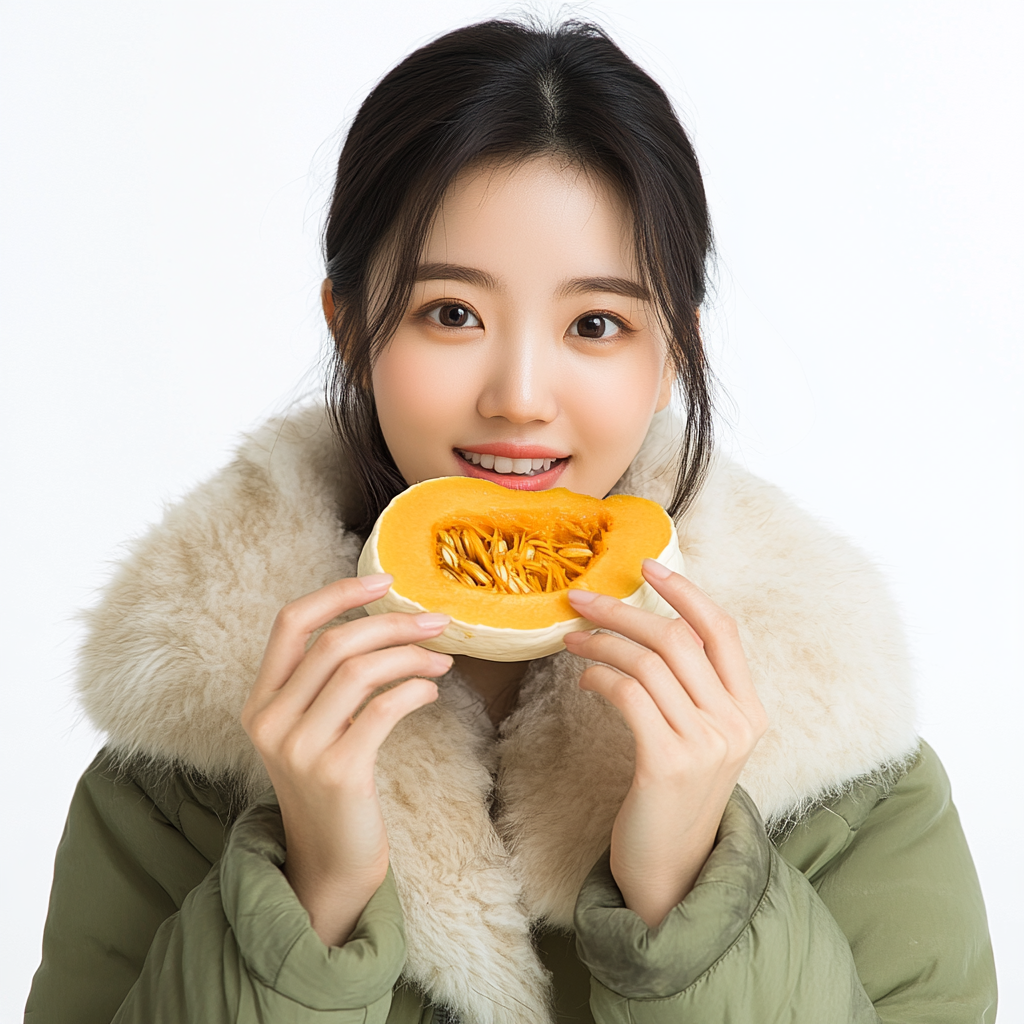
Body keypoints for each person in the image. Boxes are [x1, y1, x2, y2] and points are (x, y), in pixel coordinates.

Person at [25, 18, 996, 1024]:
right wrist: (308, 900)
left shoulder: (851, 778)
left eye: (594, 325)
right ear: (350, 330)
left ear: (672, 353)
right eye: (451, 313)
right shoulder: (173, 778)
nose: (521, 396)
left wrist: (689, 889)